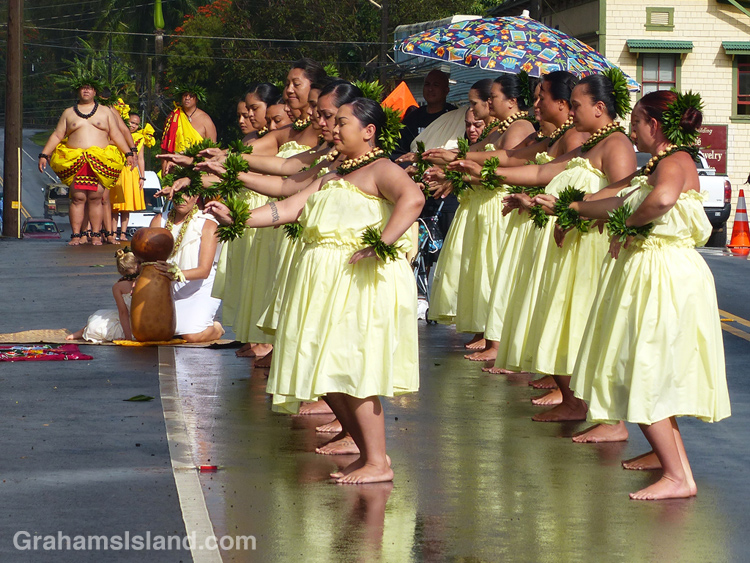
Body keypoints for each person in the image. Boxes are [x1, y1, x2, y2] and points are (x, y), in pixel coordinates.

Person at [205, 98, 424, 484]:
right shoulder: (335, 171)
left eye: (342, 124)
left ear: (369, 131)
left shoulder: (382, 169)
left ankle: (378, 461)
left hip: (360, 283)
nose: (334, 130)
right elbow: (289, 208)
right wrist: (238, 218)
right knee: (328, 372)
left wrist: (382, 243)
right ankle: (368, 455)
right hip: (325, 282)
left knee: (355, 368)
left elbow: (414, 199)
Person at [562, 90, 731, 499]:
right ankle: (669, 462)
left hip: (661, 276)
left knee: (643, 366)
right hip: (651, 273)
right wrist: (575, 209)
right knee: (641, 364)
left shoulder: (675, 161)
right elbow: (624, 198)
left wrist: (627, 227)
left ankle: (678, 477)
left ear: (654, 126)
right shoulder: (658, 164)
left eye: (636, 122)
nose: (632, 130)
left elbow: (661, 200)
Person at [38, 76, 135, 245]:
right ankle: (76, 235)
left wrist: (128, 153)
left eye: (90, 88)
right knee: (78, 197)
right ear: (78, 91)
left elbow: (117, 134)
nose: (86, 90)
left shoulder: (105, 112)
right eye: (83, 88)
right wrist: (44, 154)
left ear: (95, 91)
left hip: (99, 160)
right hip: (76, 160)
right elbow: (57, 135)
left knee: (96, 198)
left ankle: (96, 234)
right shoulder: (69, 113)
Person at [150, 194, 224, 343]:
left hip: (200, 286)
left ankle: (216, 328)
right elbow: (149, 259)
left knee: (191, 335)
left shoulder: (208, 224)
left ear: (196, 196)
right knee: (156, 330)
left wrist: (175, 273)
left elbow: (204, 270)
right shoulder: (159, 220)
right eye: (178, 195)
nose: (182, 200)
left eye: (187, 195)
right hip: (166, 286)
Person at [66, 248, 139, 342]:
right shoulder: (148, 281)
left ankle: (83, 331)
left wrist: (128, 337)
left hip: (132, 326)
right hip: (147, 324)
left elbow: (123, 313)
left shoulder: (118, 287)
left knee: (98, 320)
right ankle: (82, 331)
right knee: (103, 315)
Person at [393, 70, 457, 158]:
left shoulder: (455, 116)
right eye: (427, 84)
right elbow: (399, 149)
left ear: (446, 91)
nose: (430, 89)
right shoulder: (413, 117)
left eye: (436, 85)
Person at [112, 112, 154, 241]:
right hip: (117, 170)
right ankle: (112, 233)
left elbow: (140, 159)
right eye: (131, 122)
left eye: (136, 123)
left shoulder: (140, 138)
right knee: (115, 206)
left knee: (126, 206)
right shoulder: (116, 134)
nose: (133, 125)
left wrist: (142, 177)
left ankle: (123, 233)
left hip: (131, 173)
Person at [160, 86, 217, 175]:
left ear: (197, 99)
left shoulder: (206, 120)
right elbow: (165, 146)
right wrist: (164, 171)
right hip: (175, 169)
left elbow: (212, 150)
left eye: (191, 96)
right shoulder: (173, 117)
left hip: (198, 170)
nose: (187, 98)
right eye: (185, 95)